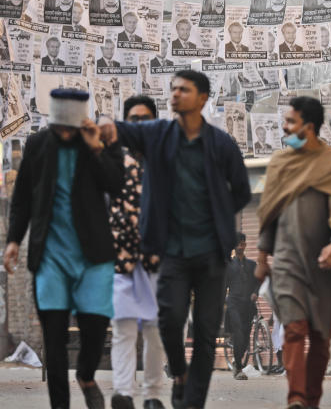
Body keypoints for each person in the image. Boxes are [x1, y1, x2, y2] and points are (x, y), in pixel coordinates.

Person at [106, 70, 251, 409]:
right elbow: (121, 131)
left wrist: (217, 214)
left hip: (211, 253)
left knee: (204, 330)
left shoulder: (220, 144)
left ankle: (189, 399)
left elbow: (242, 190)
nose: (175, 94)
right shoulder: (155, 140)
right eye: (172, 89)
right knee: (167, 320)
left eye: (183, 90)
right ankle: (168, 378)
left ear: (202, 98)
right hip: (163, 253)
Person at [3, 89, 124, 409]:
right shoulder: (38, 144)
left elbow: (116, 184)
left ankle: (86, 375)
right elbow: (23, 198)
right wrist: (14, 239)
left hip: (94, 257)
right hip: (50, 258)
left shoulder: (98, 143)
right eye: (61, 129)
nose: (66, 134)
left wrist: (97, 147)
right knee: (54, 339)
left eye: (71, 128)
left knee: (95, 331)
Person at [255, 97, 331, 409]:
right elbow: (269, 213)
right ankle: (295, 398)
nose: (284, 127)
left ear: (308, 127)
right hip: (287, 264)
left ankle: (311, 400)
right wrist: (262, 256)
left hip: (325, 268)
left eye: (290, 122)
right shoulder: (281, 163)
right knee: (293, 328)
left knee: (321, 336)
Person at [108, 96, 167, 409]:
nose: (139, 124)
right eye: (133, 118)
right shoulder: (111, 158)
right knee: (123, 329)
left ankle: (154, 394)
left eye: (145, 118)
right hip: (120, 257)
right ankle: (124, 393)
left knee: (156, 331)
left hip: (159, 257)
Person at [225, 233, 259, 380]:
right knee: (238, 331)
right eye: (238, 243)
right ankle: (238, 368)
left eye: (242, 243)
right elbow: (222, 285)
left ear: (245, 245)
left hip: (248, 305)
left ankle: (237, 360)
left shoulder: (252, 265)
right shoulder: (228, 265)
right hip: (233, 303)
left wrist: (256, 293)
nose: (240, 246)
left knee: (245, 337)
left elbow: (258, 282)